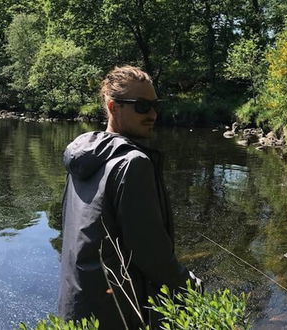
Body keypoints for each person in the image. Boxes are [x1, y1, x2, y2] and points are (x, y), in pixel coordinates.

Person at [58, 65, 198, 329]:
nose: (153, 114)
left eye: (155, 105)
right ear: (113, 107)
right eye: (142, 106)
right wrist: (190, 286)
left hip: (77, 306)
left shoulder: (83, 157)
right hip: (116, 312)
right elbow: (150, 253)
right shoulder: (133, 164)